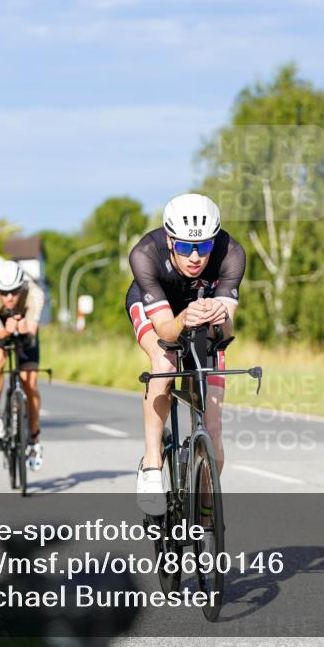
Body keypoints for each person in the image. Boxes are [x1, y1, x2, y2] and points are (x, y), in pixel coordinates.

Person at [125, 193, 246, 514]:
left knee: (214, 431)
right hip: (158, 310)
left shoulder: (232, 253)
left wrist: (221, 317)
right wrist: (183, 319)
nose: (195, 257)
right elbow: (167, 331)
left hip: (202, 312)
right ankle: (152, 463)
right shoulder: (145, 254)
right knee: (164, 361)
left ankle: (204, 516)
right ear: (169, 240)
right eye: (184, 246)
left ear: (214, 241)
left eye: (204, 247)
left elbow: (226, 334)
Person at [0, 260, 46, 471]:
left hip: (24, 327)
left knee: (29, 381)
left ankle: (34, 439)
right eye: (4, 292)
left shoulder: (35, 294)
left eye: (14, 291)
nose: (9, 297)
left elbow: (32, 330)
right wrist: (7, 330)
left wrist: (23, 329)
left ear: (22, 286)